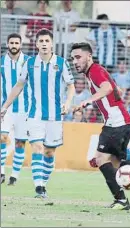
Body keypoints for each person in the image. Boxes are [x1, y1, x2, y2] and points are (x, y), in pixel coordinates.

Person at [70, 42, 130, 210]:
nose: (75, 62)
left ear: (89, 56)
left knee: (101, 160)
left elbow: (106, 88)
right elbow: (117, 90)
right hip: (121, 122)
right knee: (114, 163)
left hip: (116, 124)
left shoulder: (94, 71)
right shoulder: (96, 71)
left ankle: (121, 200)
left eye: (78, 57)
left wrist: (88, 100)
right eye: (72, 59)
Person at [0, 29, 75, 198]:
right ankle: (39, 187)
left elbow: (71, 85)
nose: (44, 44)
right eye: (41, 41)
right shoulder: (30, 63)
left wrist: (68, 103)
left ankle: (44, 183)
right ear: (36, 44)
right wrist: (5, 106)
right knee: (37, 148)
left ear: (51, 44)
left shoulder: (61, 63)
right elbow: (18, 86)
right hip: (34, 115)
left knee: (49, 152)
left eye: (46, 41)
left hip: (55, 116)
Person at [1, 33, 29, 185]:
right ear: (7, 44)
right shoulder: (1, 62)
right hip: (6, 108)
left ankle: (15, 175)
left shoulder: (28, 62)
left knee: (20, 143)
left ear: (20, 44)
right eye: (11, 43)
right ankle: (1, 172)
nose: (14, 45)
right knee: (2, 138)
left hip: (24, 109)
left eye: (16, 43)